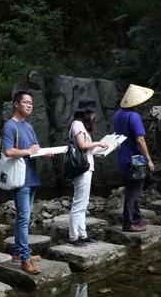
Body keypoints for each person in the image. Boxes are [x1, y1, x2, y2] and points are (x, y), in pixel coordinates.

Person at [2, 90, 43, 275]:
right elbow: (8, 151)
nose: (29, 105)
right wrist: (29, 151)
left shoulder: (29, 127)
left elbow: (35, 148)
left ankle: (19, 253)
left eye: (31, 103)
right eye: (25, 102)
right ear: (16, 104)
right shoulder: (10, 126)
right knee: (23, 218)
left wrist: (44, 152)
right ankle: (25, 259)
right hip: (20, 180)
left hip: (31, 176)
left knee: (25, 219)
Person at [114, 84, 155, 232]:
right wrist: (149, 159)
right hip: (135, 158)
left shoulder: (117, 115)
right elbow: (140, 139)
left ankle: (137, 218)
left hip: (122, 158)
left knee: (131, 188)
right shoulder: (134, 116)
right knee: (134, 191)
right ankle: (129, 223)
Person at [68, 99, 108, 247]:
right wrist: (98, 143)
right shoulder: (77, 124)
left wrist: (106, 147)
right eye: (93, 112)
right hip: (82, 168)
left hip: (87, 167)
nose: (95, 115)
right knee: (79, 203)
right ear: (87, 113)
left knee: (83, 204)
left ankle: (82, 234)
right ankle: (73, 237)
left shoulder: (81, 126)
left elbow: (87, 148)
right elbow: (82, 145)